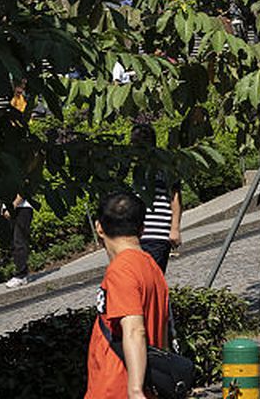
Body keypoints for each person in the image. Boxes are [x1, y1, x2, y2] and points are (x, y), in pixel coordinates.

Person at [84, 190, 171, 399]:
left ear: (99, 227)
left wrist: (135, 390)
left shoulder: (121, 270)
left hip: (115, 387)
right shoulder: (150, 266)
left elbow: (134, 330)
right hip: (146, 385)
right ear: (142, 229)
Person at [129, 122, 182, 272]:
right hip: (136, 235)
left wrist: (175, 228)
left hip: (157, 234)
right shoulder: (135, 169)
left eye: (136, 143)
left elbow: (175, 197)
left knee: (152, 277)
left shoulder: (164, 167)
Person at [0, 194, 35, 288]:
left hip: (21, 208)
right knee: (10, 243)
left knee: (19, 240)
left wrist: (12, 207)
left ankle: (21, 275)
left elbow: (23, 191)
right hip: (5, 210)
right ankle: (20, 271)